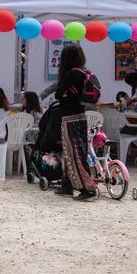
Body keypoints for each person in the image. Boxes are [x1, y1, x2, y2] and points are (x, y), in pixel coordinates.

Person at [55, 44, 98, 201]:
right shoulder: (83, 71)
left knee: (74, 153)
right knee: (72, 152)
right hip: (80, 115)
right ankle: (67, 184)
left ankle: (88, 188)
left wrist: (65, 93)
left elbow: (59, 94)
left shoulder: (72, 73)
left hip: (69, 117)